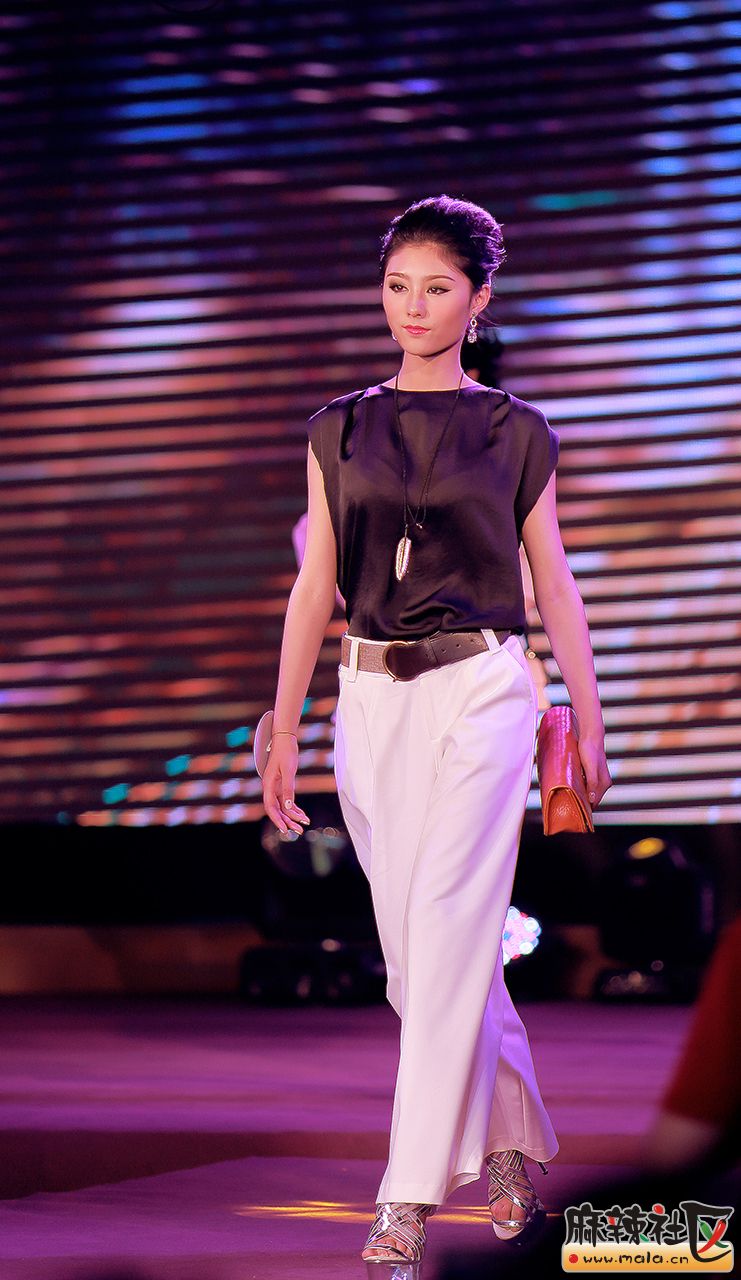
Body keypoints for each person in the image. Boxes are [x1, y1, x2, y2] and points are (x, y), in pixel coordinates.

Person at [261, 194, 612, 1265]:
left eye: (437, 287)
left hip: (482, 691)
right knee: (420, 963)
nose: (412, 306)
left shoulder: (518, 431)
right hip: (370, 698)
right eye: (397, 286)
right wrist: (284, 725)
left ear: (478, 298)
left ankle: (404, 1200)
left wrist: (590, 716)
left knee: (455, 922)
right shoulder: (336, 427)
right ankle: (507, 1140)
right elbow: (314, 586)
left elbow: (555, 581)